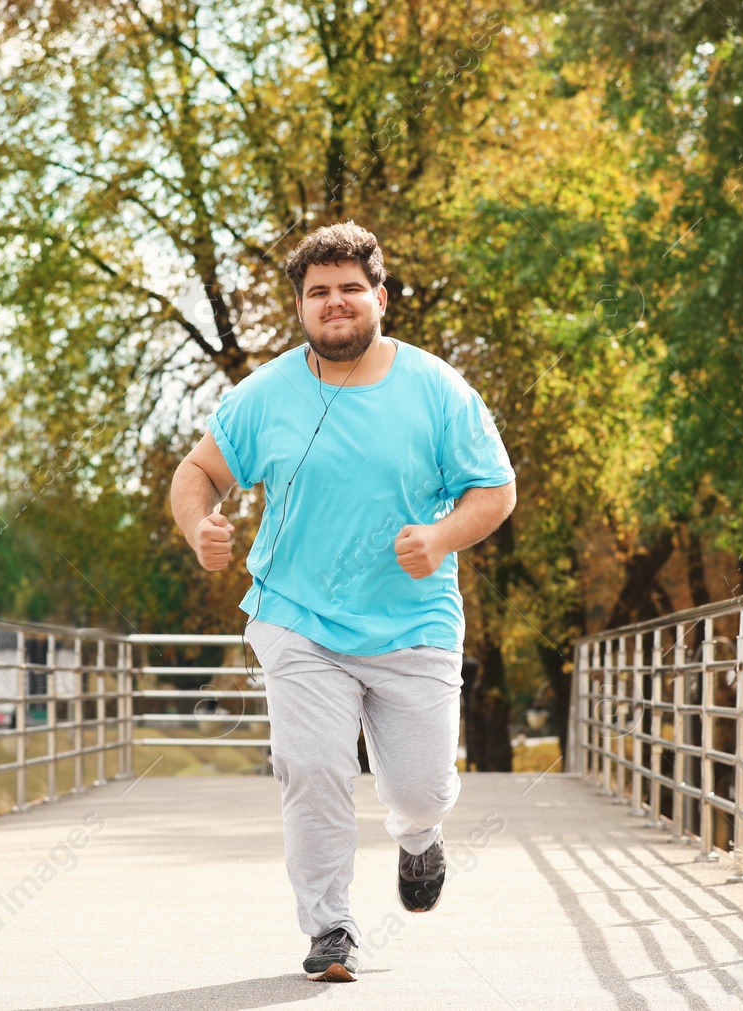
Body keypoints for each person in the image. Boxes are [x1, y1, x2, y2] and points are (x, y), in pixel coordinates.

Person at [170, 221, 516, 983]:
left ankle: (419, 832)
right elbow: (196, 471)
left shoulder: (436, 389)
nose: (335, 303)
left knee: (419, 784)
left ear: (379, 298)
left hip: (413, 620)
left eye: (350, 289)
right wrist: (200, 525)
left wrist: (442, 535)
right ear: (301, 305)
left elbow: (496, 489)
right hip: (297, 618)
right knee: (314, 768)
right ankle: (330, 927)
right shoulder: (264, 394)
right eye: (318, 292)